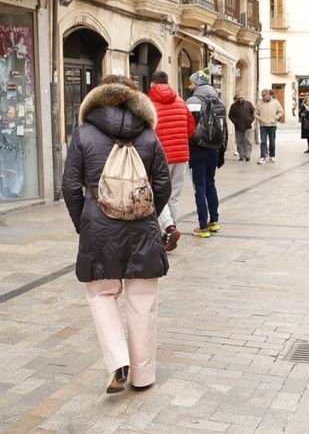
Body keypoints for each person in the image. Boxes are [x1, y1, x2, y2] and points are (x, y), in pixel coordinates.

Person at [62, 75, 170, 394]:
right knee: (142, 300)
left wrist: (84, 222)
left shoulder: (84, 134)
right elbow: (163, 184)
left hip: (99, 228)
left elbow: (70, 186)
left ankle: (118, 361)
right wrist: (145, 213)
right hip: (143, 228)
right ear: (135, 99)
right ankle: (143, 375)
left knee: (101, 294)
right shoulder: (148, 134)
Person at [149, 70, 195, 251]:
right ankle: (170, 234)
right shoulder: (181, 101)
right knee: (173, 196)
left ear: (152, 84)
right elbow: (191, 128)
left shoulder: (150, 104)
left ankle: (168, 229)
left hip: (161, 157)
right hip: (181, 155)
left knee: (157, 194)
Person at [185, 69, 226, 238]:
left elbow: (189, 126)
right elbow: (223, 129)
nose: (189, 86)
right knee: (210, 183)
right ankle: (214, 221)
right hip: (214, 148)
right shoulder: (218, 100)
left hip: (198, 149)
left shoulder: (192, 101)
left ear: (197, 84)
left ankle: (203, 226)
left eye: (191, 83)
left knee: (199, 187)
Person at [253, 89, 285, 164]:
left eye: (264, 95)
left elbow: (281, 111)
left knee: (272, 142)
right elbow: (255, 113)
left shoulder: (275, 102)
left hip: (272, 125)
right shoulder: (259, 103)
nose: (263, 97)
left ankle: (272, 155)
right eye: (262, 96)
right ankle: (262, 157)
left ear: (268, 94)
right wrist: (259, 118)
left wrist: (276, 117)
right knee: (263, 141)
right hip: (263, 125)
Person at [227, 92, 255, 162]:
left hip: (247, 126)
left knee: (247, 140)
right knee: (239, 141)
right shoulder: (233, 106)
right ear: (236, 98)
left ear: (244, 97)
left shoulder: (248, 104)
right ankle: (241, 155)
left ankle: (247, 155)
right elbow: (230, 115)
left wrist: (250, 120)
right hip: (238, 126)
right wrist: (235, 122)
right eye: (238, 98)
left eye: (241, 98)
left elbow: (253, 112)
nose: (240, 99)